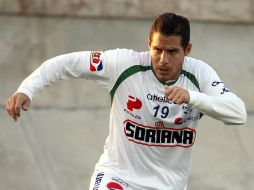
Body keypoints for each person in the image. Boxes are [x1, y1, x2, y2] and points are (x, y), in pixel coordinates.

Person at [6, 13, 247, 190]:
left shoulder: (200, 75)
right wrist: (27, 89)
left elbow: (238, 114)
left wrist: (193, 97)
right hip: (118, 177)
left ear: (187, 50)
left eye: (172, 52)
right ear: (149, 45)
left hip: (168, 185)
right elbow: (67, 63)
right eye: (157, 50)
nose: (163, 59)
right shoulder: (124, 64)